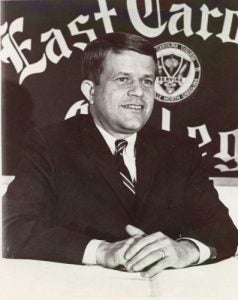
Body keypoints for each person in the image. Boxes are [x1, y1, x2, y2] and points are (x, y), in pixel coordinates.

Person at [3, 32, 238, 279]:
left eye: (147, 81)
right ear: (91, 91)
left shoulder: (180, 150)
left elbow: (224, 230)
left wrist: (185, 250)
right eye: (123, 79)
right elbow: (13, 228)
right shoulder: (49, 145)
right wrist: (102, 251)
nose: (139, 92)